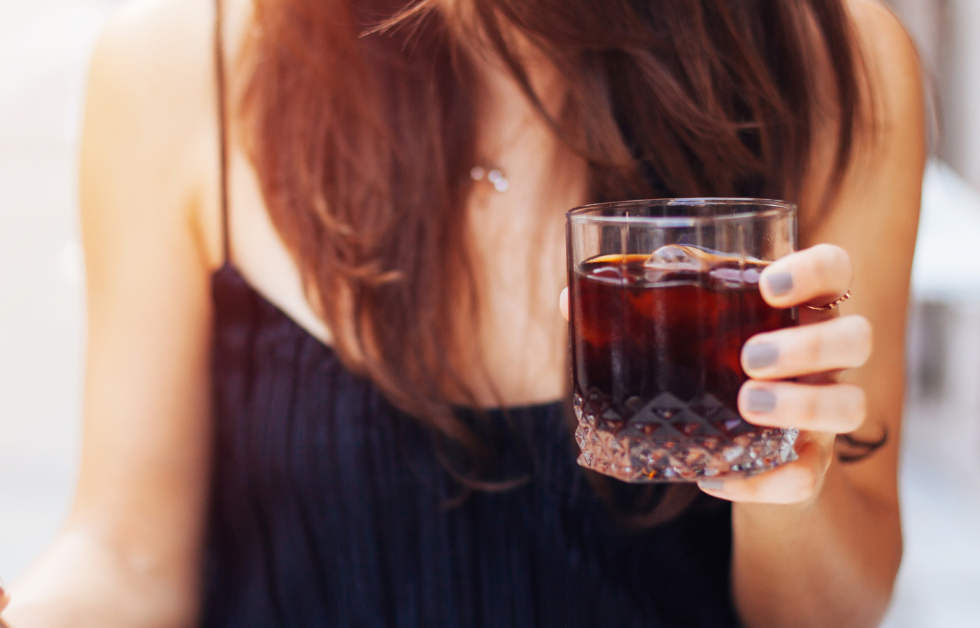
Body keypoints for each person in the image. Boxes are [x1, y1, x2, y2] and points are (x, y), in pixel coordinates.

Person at [0, 0, 923, 625]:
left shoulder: (830, 56)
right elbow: (125, 553)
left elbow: (837, 607)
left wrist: (786, 486)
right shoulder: (181, 62)